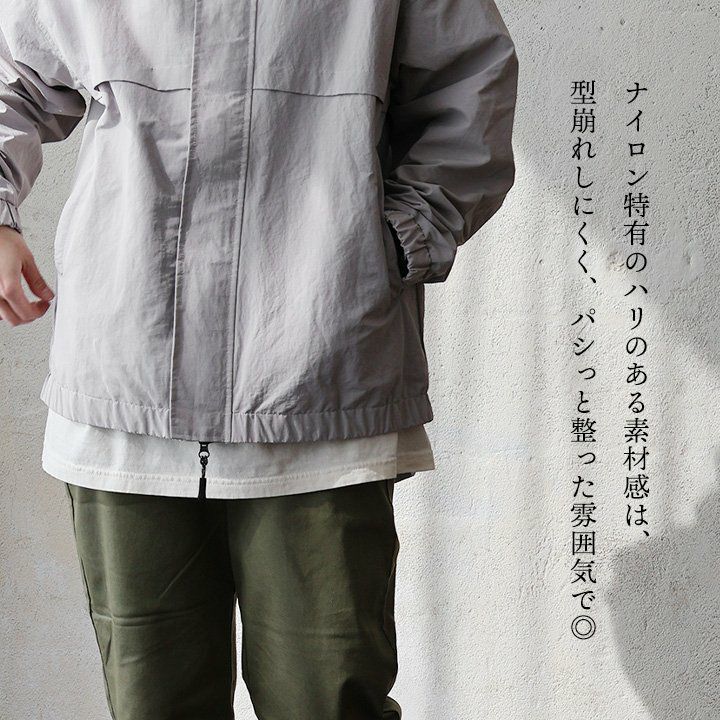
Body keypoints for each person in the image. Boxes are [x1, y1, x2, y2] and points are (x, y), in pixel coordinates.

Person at [0, 1, 519, 718]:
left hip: (320, 381)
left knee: (328, 702)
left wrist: (391, 243)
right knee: (154, 706)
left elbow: (470, 81)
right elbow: (12, 72)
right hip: (127, 384)